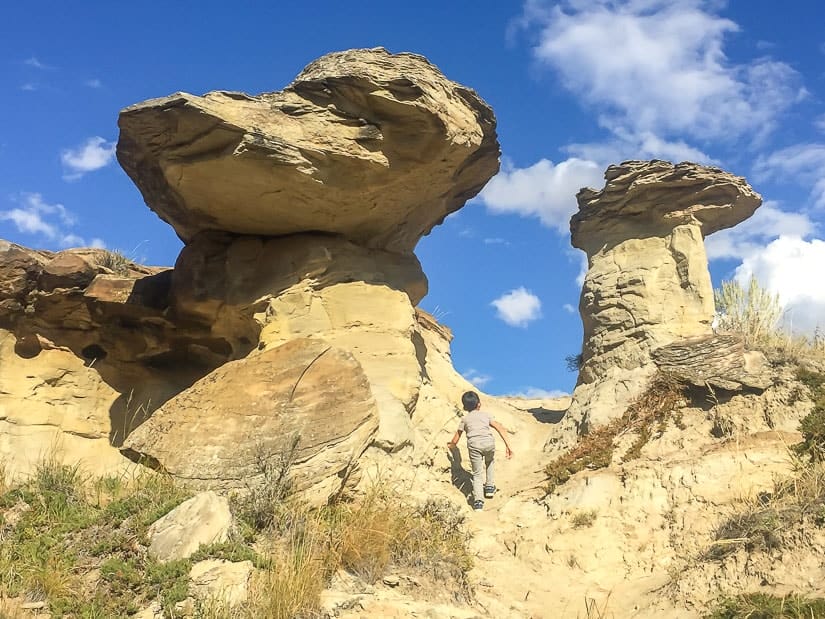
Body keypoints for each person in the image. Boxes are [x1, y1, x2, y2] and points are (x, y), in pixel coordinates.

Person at [446, 390, 513, 511]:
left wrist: (450, 446)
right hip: (489, 444)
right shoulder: (486, 415)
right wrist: (508, 446)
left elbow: (456, 438)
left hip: (474, 446)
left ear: (465, 407)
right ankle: (489, 488)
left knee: (477, 474)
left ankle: (478, 502)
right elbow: (499, 428)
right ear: (479, 404)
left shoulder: (465, 420)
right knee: (490, 462)